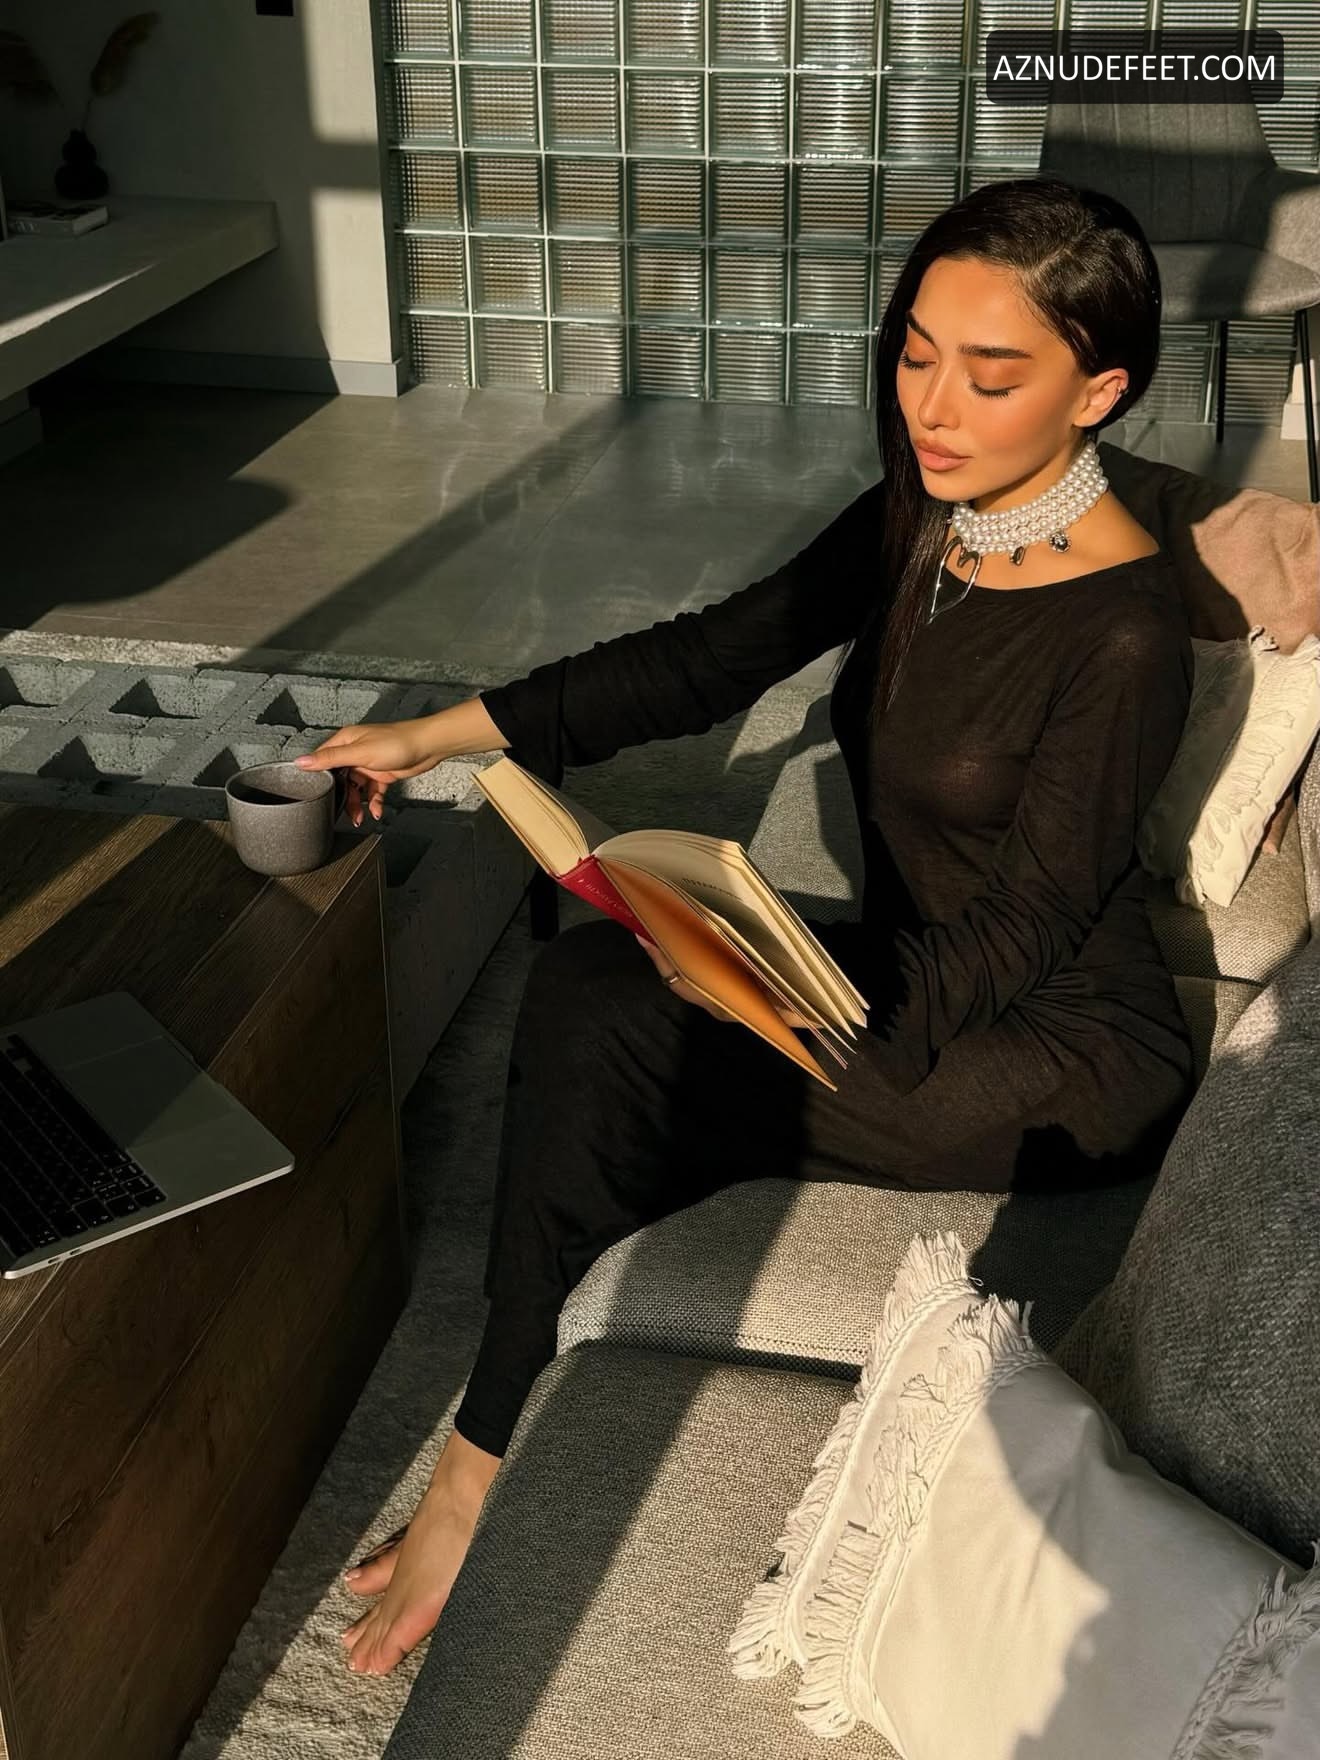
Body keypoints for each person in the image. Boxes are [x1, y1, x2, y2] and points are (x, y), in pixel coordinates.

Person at [295, 174, 1195, 1676]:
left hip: (1049, 1047)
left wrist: (780, 1000)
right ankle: (520, 1408)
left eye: (992, 375)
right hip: (903, 974)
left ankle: (475, 1474)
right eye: (916, 353)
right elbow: (713, 658)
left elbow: (1028, 929)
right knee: (599, 990)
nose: (934, 406)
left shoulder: (1126, 629)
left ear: (1097, 392)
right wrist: (441, 733)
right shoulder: (925, 511)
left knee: (611, 1030)